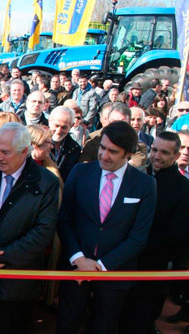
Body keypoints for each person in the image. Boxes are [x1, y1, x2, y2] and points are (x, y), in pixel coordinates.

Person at [56, 121, 157, 334]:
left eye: (113, 151)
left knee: (104, 327)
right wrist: (79, 260)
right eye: (102, 147)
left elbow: (138, 237)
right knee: (67, 323)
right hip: (75, 269)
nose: (104, 155)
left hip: (116, 274)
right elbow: (64, 219)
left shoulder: (145, 184)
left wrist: (100, 266)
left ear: (128, 154)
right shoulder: (80, 172)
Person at [0, 122, 59, 334]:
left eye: (6, 152)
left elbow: (43, 231)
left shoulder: (46, 183)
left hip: (16, 284)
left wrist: (0, 258)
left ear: (25, 151)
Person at [118, 132, 189, 334]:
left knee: (140, 316)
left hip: (152, 264)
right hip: (122, 259)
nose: (157, 156)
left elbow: (177, 232)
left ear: (176, 156)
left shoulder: (183, 188)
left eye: (165, 152)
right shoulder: (134, 175)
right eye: (155, 150)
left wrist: (138, 242)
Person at [49, 106, 81, 182]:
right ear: (49, 121)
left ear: (71, 126)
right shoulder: (39, 144)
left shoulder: (74, 148)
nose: (58, 131)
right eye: (56, 126)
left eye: (64, 127)